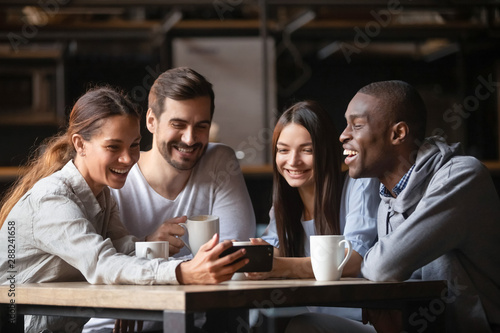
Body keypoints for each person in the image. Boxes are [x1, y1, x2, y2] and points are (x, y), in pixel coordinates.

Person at [0, 86, 248, 333]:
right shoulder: (52, 200)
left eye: (134, 145)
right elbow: (102, 264)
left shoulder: (102, 194)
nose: (128, 158)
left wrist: (150, 243)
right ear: (80, 144)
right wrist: (183, 272)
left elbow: (122, 249)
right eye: (113, 147)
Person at [288, 80, 500, 333]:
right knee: (306, 325)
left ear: (398, 134)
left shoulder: (461, 176)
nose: (343, 135)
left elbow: (383, 267)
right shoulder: (387, 196)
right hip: (415, 326)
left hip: (469, 328)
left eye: (356, 125)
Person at [83, 67, 256, 332]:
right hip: (110, 326)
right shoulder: (117, 171)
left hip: (188, 326)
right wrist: (153, 249)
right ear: (151, 121)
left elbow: (236, 259)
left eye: (201, 127)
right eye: (178, 125)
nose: (190, 138)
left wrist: (152, 261)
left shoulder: (220, 161)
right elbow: (96, 267)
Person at [247, 100, 380, 329]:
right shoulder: (285, 206)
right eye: (283, 150)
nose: (293, 161)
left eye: (307, 150)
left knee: (301, 326)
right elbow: (272, 251)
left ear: (326, 150)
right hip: (324, 323)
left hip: (369, 322)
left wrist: (279, 266)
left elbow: (354, 259)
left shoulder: (359, 184)